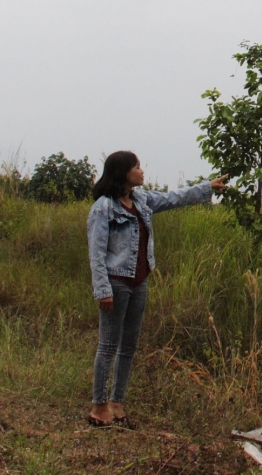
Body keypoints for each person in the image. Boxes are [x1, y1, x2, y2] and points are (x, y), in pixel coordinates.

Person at [86, 150, 227, 428]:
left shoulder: (141, 200)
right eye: (136, 166)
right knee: (108, 345)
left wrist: (206, 187)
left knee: (129, 346)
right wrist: (103, 289)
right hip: (116, 282)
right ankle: (99, 407)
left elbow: (173, 198)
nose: (141, 170)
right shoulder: (103, 208)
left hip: (139, 283)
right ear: (123, 172)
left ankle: (117, 403)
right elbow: (96, 252)